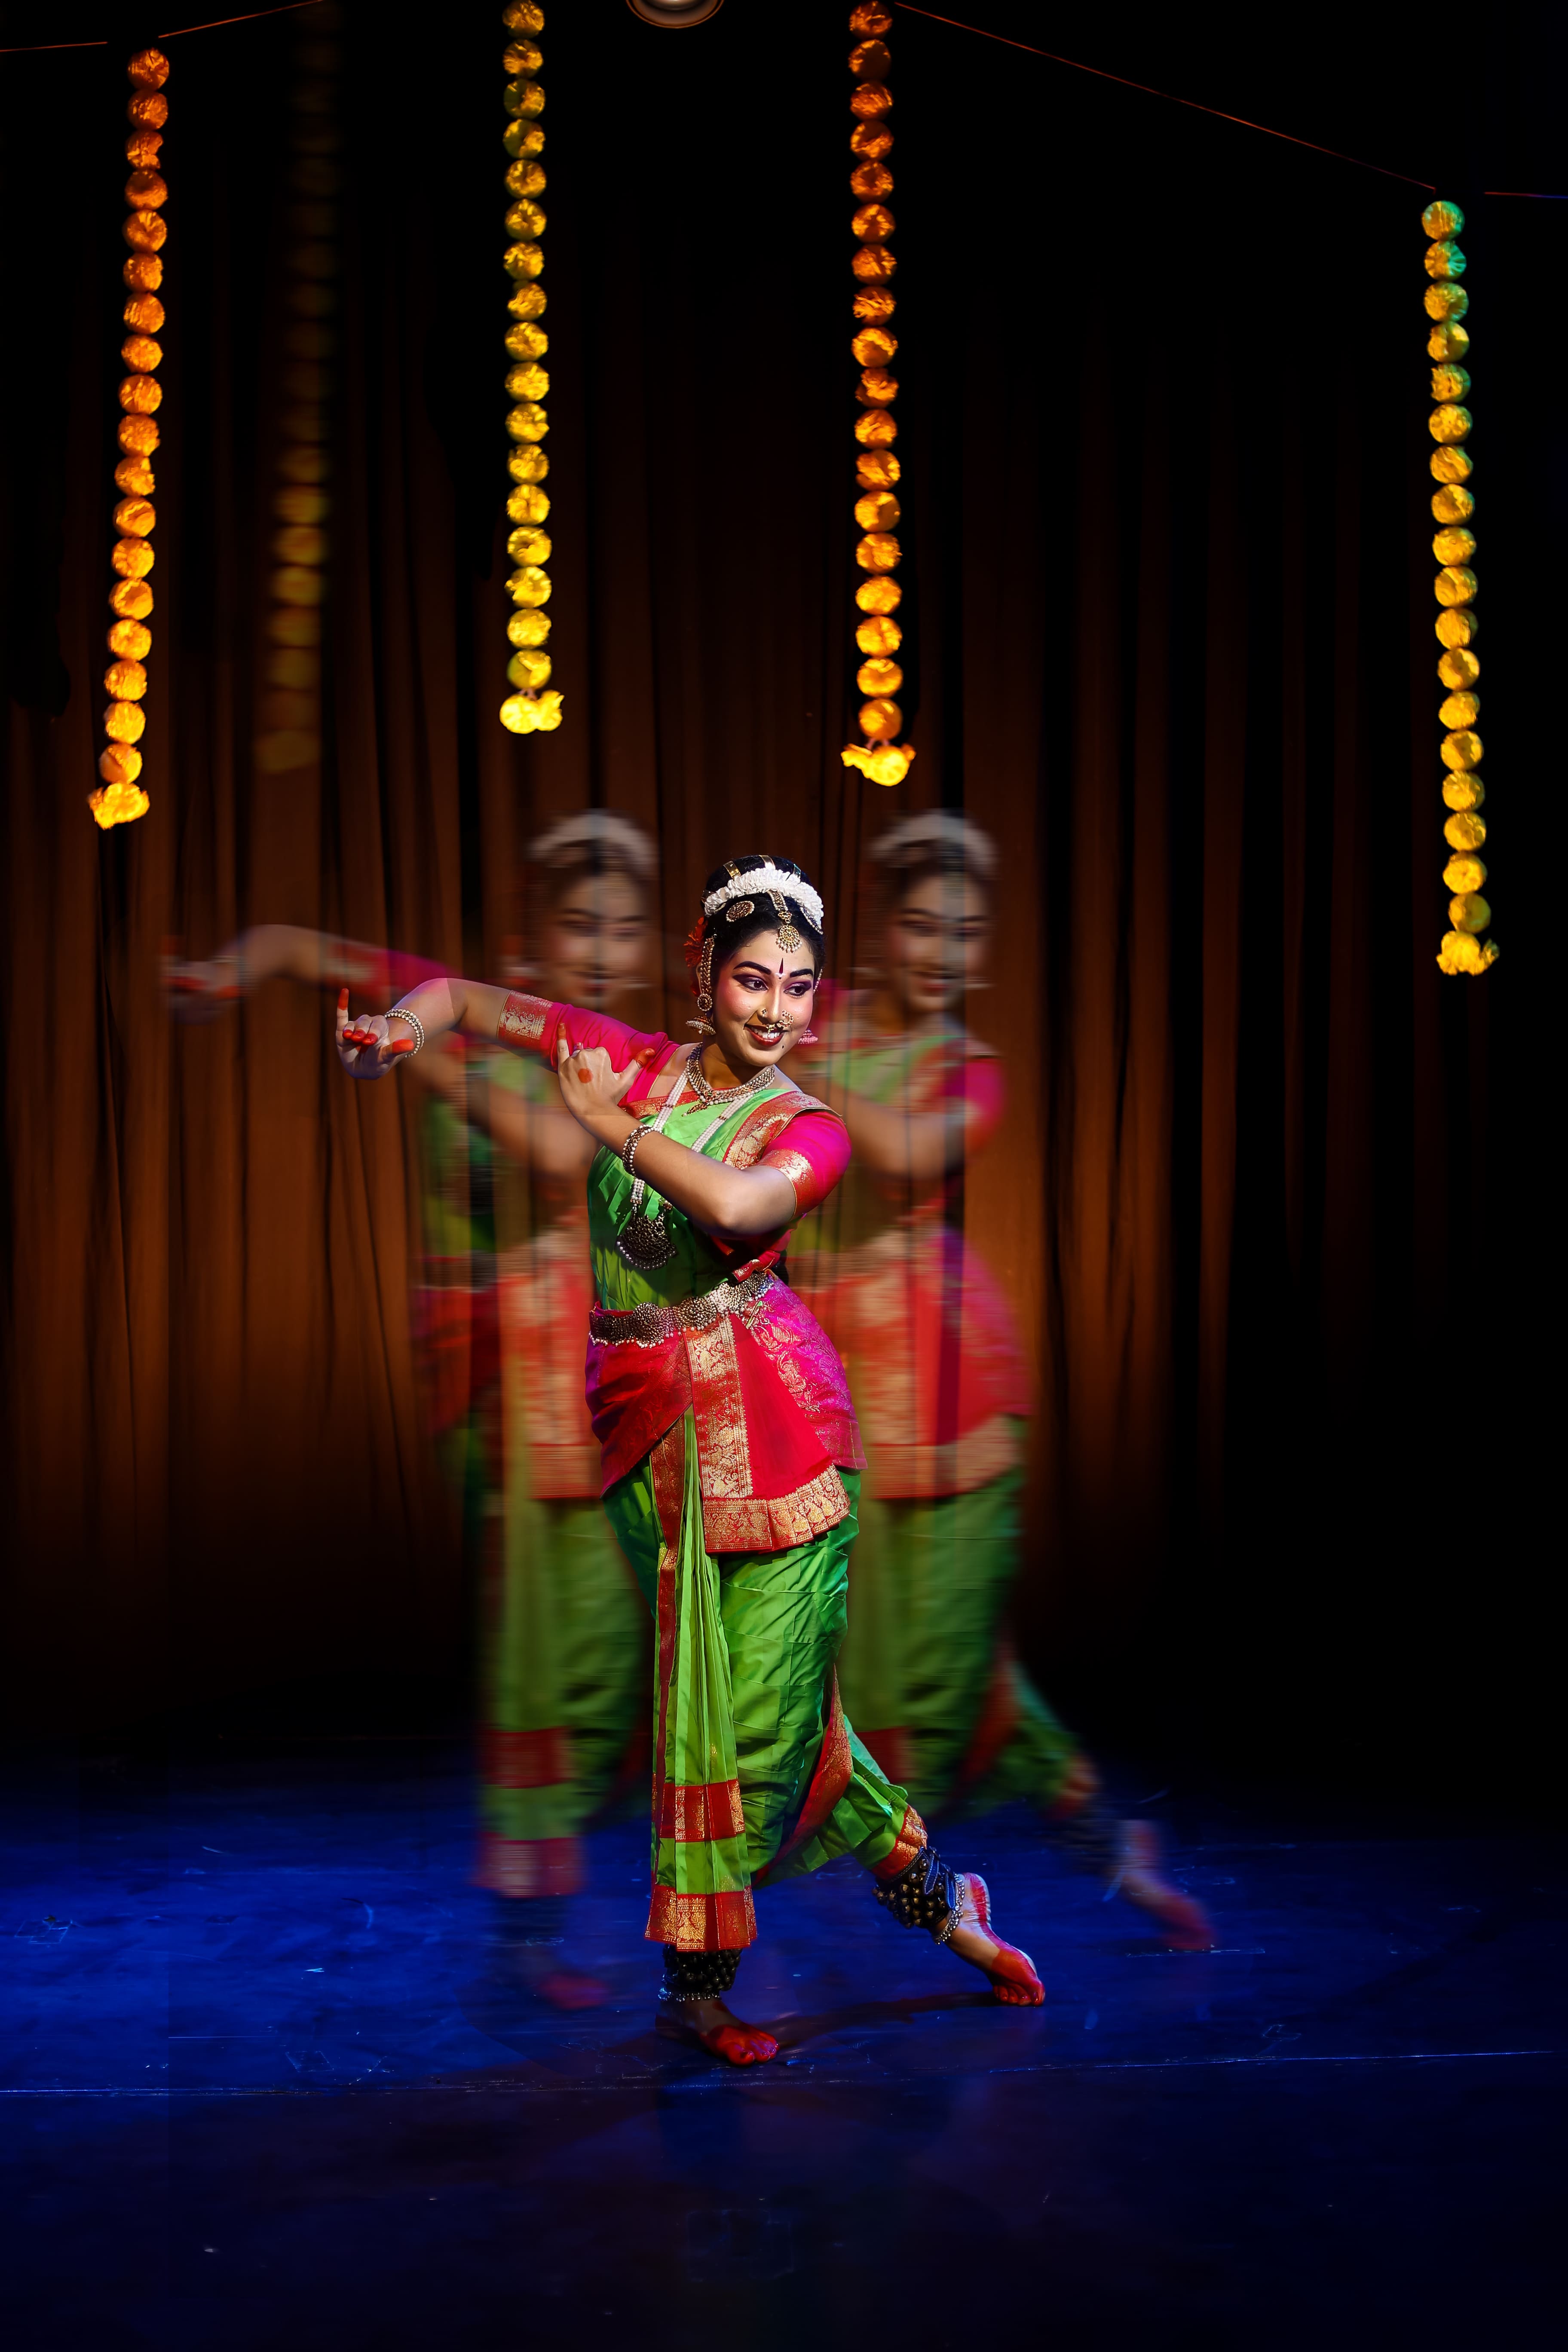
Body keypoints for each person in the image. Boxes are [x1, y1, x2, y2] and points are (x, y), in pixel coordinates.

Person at [337, 851, 1046, 2064]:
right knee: (713, 1727)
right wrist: (395, 1034)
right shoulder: (630, 1056)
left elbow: (746, 1211)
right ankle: (907, 1927)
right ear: (702, 976)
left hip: (776, 1441)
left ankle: (722, 1969)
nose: (777, 1010)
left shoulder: (805, 1125)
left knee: (755, 1737)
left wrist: (612, 1126)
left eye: (802, 988)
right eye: (754, 981)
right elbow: (463, 1000)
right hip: (645, 1436)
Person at [165, 814, 656, 2005]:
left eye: (621, 926)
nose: (597, 947)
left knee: (626, 1646)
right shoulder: (473, 1014)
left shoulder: (602, 1053)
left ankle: (623, 1862)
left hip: (609, 1372)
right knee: (551, 1654)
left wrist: (407, 1049)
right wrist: (232, 974)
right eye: (576, 922)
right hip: (514, 1383)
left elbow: (557, 1151)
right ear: (525, 934)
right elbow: (304, 947)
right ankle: (532, 1921)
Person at [792, 814, 1211, 1949]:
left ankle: (1059, 1858)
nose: (942, 952)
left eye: (966, 935)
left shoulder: (968, 1071)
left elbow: (903, 1153)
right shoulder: (813, 1019)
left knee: (955, 1668)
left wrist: (797, 1057)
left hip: (955, 1391)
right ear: (881, 924)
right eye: (923, 924)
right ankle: (993, 1869)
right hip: (836, 1385)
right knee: (840, 1653)